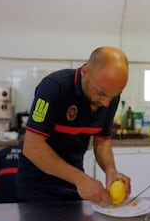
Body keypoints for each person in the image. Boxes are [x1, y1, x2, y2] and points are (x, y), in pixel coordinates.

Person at [17, 46, 131, 205]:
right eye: (101, 94)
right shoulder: (53, 87)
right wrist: (80, 179)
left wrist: (111, 171)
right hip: (37, 188)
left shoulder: (110, 96)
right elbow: (32, 147)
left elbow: (102, 140)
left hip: (74, 186)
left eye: (114, 96)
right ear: (85, 72)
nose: (106, 103)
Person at [0, 128, 25, 204]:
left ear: (17, 140)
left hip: (2, 202)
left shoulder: (3, 152)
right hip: (26, 203)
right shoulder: (34, 154)